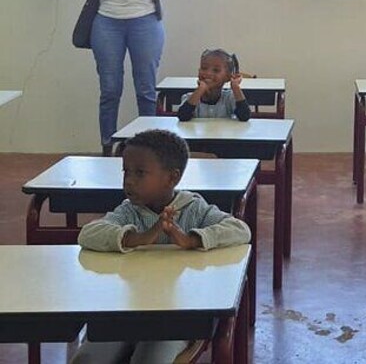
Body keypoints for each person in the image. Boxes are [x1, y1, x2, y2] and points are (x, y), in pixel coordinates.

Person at [73, 129, 251, 363]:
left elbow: (240, 230)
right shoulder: (129, 211)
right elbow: (88, 234)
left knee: (148, 361)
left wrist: (192, 240)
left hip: (178, 321)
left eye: (140, 173)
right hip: (124, 315)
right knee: (87, 360)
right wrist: (140, 238)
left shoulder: (193, 209)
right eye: (126, 171)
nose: (129, 180)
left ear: (172, 178)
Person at [80, 0, 170, 156]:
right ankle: (107, 145)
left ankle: (151, 147)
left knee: (146, 88)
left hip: (145, 21)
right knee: (109, 89)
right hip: (107, 21)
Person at [177, 49, 250, 121]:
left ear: (228, 77)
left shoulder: (229, 98)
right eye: (204, 68)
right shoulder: (189, 97)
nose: (208, 73)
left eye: (216, 70)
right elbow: (183, 117)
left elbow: (245, 116)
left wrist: (235, 87)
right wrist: (200, 90)